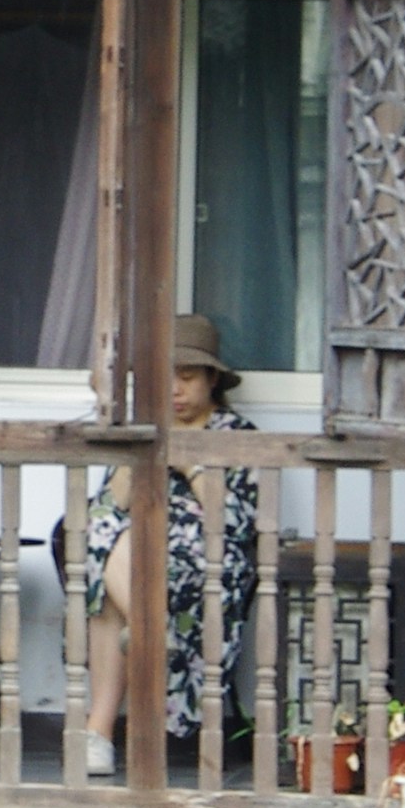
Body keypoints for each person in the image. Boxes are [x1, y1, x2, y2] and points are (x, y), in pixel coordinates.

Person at [77, 314, 260, 780]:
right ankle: (152, 625)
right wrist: (142, 453)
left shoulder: (238, 435)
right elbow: (107, 509)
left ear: (212, 379)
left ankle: (97, 734)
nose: (176, 390)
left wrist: (190, 466)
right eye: (166, 379)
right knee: (104, 537)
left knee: (107, 576)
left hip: (207, 564)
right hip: (136, 557)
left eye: (187, 377)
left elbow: (237, 524)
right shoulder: (145, 427)